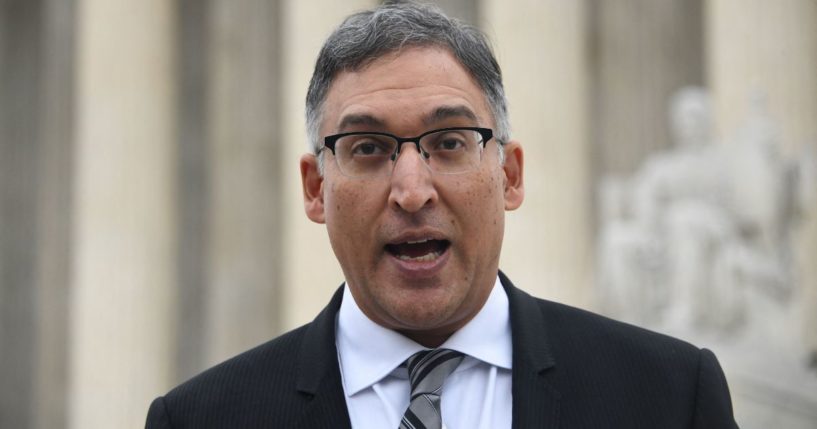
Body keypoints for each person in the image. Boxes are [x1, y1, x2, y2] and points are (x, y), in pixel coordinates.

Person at [146, 2, 739, 428]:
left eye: (450, 142)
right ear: (315, 188)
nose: (411, 191)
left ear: (509, 175)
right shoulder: (201, 418)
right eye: (369, 149)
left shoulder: (667, 396)